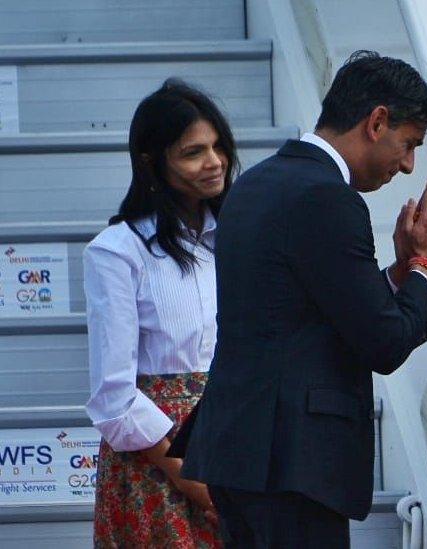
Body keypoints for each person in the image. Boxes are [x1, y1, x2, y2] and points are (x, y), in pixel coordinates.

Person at [178, 51, 427, 547]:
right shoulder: (328, 197)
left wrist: (394, 273)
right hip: (293, 464)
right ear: (377, 122)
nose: (409, 166)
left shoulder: (256, 182)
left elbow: (304, 306)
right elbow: (383, 343)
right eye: (408, 144)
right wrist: (426, 267)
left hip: (239, 452)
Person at [84, 79, 237, 548]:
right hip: (157, 461)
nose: (213, 163)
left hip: (234, 442)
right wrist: (192, 479)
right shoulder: (117, 251)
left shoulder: (236, 238)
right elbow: (114, 397)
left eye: (218, 147)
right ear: (152, 162)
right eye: (193, 152)